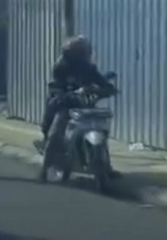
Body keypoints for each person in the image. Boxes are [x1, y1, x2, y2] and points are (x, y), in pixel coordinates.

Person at [40, 35, 119, 178]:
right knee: (55, 133)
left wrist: (107, 89)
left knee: (100, 129)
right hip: (64, 106)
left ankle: (106, 166)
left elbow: (101, 81)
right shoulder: (61, 67)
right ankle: (44, 170)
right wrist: (68, 93)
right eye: (78, 52)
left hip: (84, 107)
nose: (82, 54)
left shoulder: (88, 68)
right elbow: (55, 86)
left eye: (82, 51)